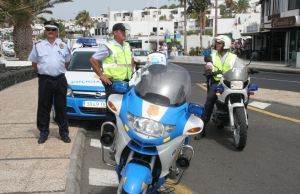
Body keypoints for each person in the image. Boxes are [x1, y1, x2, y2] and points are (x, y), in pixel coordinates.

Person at [28, 20, 71, 144]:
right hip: (45, 80)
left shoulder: (63, 45)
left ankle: (63, 133)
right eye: (48, 29)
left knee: (61, 107)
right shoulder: (38, 46)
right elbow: (34, 64)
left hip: (60, 79)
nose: (50, 32)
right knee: (43, 107)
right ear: (45, 31)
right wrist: (44, 71)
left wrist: (58, 69)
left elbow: (67, 61)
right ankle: (43, 132)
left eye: (53, 29)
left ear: (57, 31)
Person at [195, 35, 237, 140]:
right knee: (209, 101)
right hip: (217, 82)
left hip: (229, 82)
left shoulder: (233, 57)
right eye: (216, 43)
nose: (216, 45)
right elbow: (208, 62)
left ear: (225, 45)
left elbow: (240, 65)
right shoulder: (213, 55)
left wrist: (247, 69)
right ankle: (203, 129)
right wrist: (208, 67)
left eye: (219, 43)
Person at [89, 23, 134, 118]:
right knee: (112, 110)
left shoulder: (127, 45)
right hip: (113, 83)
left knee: (124, 110)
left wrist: (133, 71)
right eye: (122, 31)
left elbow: (131, 60)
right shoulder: (108, 46)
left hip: (127, 83)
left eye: (125, 31)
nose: (124, 33)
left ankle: (120, 131)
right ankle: (108, 130)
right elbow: (93, 60)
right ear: (115, 32)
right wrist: (101, 75)